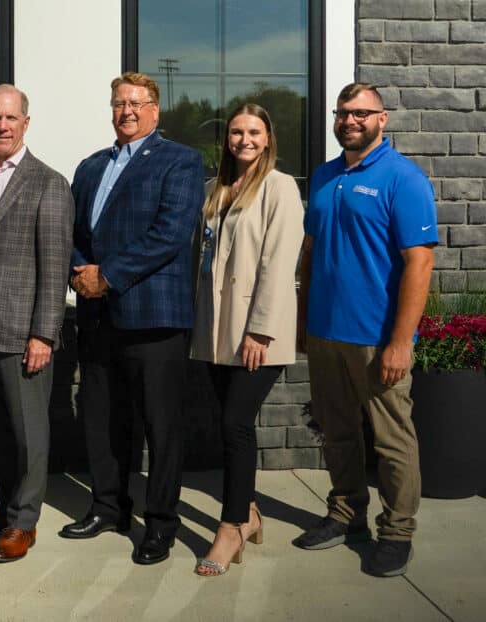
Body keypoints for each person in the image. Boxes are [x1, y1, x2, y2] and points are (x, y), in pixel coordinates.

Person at [294, 83, 436, 578]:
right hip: (326, 331)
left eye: (361, 113)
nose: (349, 120)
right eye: (342, 113)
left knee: (392, 438)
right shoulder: (324, 176)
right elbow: (311, 253)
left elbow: (419, 264)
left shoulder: (404, 179)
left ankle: (397, 533)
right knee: (336, 431)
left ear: (383, 119)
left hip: (376, 336)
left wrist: (401, 341)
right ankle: (346, 513)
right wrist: (301, 319)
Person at [64, 72, 204, 566]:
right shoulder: (90, 166)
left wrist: (109, 275)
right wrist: (81, 271)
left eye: (137, 103)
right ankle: (108, 506)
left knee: (160, 425)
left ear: (155, 110)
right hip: (98, 316)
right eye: (119, 103)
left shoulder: (181, 161)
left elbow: (170, 234)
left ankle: (161, 523)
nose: (127, 111)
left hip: (153, 317)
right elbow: (73, 228)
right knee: (102, 417)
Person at [0, 84, 74, 563]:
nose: (2, 126)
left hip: (25, 330)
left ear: (26, 123)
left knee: (29, 434)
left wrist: (44, 333)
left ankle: (23, 520)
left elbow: (55, 264)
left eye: (10, 118)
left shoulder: (49, 183)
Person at [189, 104, 304, 576]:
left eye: (254, 131)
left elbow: (279, 263)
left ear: (268, 136)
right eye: (236, 132)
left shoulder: (281, 187)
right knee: (231, 425)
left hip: (256, 331)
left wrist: (260, 327)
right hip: (216, 330)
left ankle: (232, 524)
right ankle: (250, 511)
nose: (244, 139)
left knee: (236, 423)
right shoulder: (213, 190)